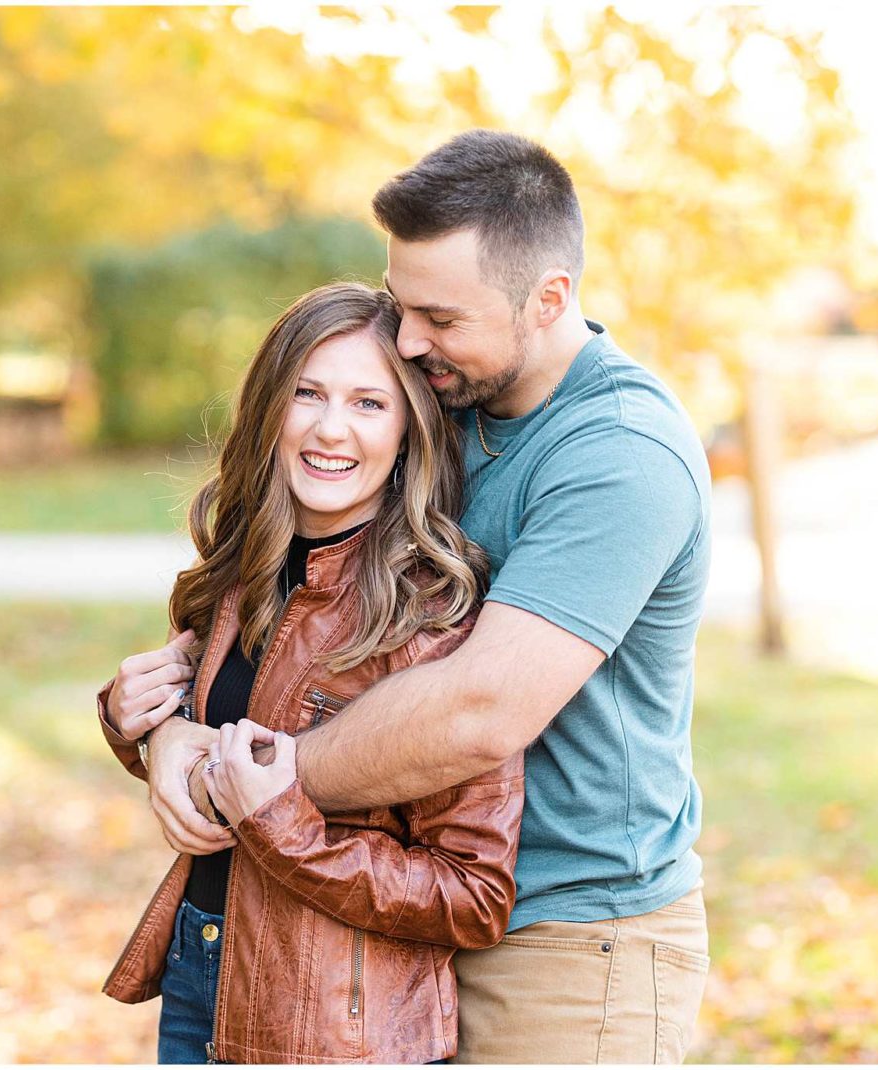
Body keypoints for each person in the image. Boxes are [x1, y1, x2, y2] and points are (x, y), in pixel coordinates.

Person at [133, 131, 714, 1064]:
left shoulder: (620, 455)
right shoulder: (443, 400)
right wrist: (163, 729)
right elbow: (297, 611)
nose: (407, 342)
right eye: (402, 307)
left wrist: (239, 780)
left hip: (569, 942)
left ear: (549, 299)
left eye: (439, 317)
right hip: (389, 928)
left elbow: (475, 711)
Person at [96, 282, 526, 1064]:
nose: (331, 429)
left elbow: (473, 894)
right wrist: (136, 720)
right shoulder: (235, 571)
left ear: (409, 433)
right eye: (307, 394)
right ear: (270, 408)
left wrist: (286, 826)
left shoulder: (430, 615)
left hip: (334, 1025)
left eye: (369, 404)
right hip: (204, 972)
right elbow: (217, 751)